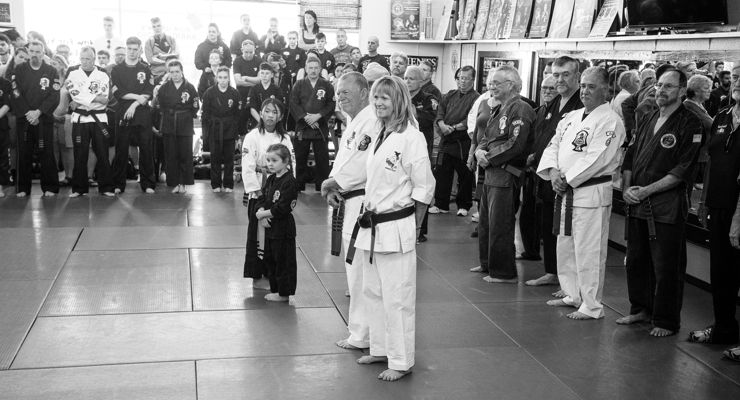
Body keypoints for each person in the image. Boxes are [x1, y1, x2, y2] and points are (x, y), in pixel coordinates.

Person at [349, 75, 435, 382]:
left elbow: (424, 188)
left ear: (398, 99)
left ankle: (401, 361)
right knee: (372, 291)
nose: (378, 102)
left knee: (397, 297)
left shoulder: (412, 137)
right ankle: (381, 347)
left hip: (397, 226)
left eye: (384, 97)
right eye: (375, 97)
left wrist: (414, 227)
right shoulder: (379, 132)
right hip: (371, 225)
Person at [617, 67, 704, 337]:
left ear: (681, 91)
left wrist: (645, 191)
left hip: (667, 206)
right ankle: (640, 308)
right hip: (637, 202)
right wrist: (628, 187)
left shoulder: (691, 123)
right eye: (658, 85)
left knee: (666, 266)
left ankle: (666, 320)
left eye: (668, 86)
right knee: (636, 260)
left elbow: (682, 171)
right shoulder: (647, 116)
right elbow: (630, 154)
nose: (660, 90)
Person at [536, 67, 626, 319]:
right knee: (566, 246)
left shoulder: (610, 120)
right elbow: (553, 145)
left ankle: (591, 305)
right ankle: (572, 293)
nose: (585, 91)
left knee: (589, 251)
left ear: (606, 89)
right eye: (583, 86)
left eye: (592, 86)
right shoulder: (572, 116)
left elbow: (597, 158)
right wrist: (553, 172)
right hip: (564, 191)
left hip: (590, 193)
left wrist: (567, 178)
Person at [320, 71, 377, 351]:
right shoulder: (354, 122)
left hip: (360, 204)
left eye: (345, 92)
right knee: (353, 270)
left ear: (364, 92)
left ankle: (362, 334)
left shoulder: (372, 122)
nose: (340, 98)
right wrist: (332, 185)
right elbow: (342, 161)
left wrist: (333, 183)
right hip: (346, 201)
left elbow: (361, 165)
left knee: (360, 272)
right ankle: (360, 331)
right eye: (337, 93)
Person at [689, 77, 740, 362]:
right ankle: (724, 328)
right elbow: (712, 160)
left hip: (739, 209)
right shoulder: (721, 116)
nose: (738, 82)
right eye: (737, 77)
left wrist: (738, 218)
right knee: (721, 272)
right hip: (719, 205)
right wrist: (705, 201)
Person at [472, 65, 535, 284]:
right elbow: (486, 137)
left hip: (506, 174)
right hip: (490, 174)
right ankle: (488, 263)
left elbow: (516, 144)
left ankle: (503, 272)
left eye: (496, 83)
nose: (492, 87)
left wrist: (489, 157)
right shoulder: (499, 108)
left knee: (500, 224)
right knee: (485, 223)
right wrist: (479, 151)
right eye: (491, 83)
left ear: (511, 85)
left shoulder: (521, 109)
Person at [526, 56, 583, 289]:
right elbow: (543, 135)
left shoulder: (581, 104)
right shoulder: (553, 102)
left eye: (565, 75)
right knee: (548, 226)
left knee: (567, 232)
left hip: (566, 179)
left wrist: (561, 173)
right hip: (545, 175)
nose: (559, 80)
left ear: (577, 76)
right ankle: (552, 271)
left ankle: (569, 280)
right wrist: (534, 156)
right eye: (556, 75)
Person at [242, 98, 295, 290]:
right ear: (261, 113)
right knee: (257, 236)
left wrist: (289, 191)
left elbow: (292, 166)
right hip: (259, 192)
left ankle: (273, 276)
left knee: (276, 239)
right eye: (267, 111)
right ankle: (258, 277)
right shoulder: (252, 136)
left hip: (279, 193)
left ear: (280, 115)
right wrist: (260, 198)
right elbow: (247, 166)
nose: (270, 115)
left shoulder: (286, 139)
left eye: (275, 112)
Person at [54, 46, 114, 197]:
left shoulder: (102, 74)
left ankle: (106, 187)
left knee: (102, 153)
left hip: (99, 118)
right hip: (80, 119)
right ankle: (79, 188)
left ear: (94, 59)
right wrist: (94, 98)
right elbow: (75, 95)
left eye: (88, 59)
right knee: (80, 154)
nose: (85, 62)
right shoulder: (73, 74)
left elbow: (105, 99)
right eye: (82, 59)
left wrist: (83, 99)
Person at [12, 40, 60, 197]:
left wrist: (38, 112)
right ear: (28, 51)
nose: (35, 54)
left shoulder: (51, 71)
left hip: (43, 119)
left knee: (46, 153)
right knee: (23, 154)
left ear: (43, 52)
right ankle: (22, 188)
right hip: (24, 118)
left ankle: (50, 187)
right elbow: (15, 92)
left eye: (38, 52)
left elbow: (54, 95)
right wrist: (28, 113)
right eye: (32, 51)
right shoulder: (19, 69)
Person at [429, 66, 479, 215]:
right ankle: (441, 204)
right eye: (460, 78)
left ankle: (464, 205)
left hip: (463, 142)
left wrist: (456, 127)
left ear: (473, 80)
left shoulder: (476, 98)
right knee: (442, 173)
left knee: (465, 175)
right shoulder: (450, 95)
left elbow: (472, 117)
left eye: (466, 78)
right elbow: (440, 112)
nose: (462, 82)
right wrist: (442, 124)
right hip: (447, 139)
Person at [518, 76, 558, 262]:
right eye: (544, 88)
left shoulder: (562, 114)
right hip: (530, 171)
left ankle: (550, 264)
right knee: (527, 213)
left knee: (545, 218)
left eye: (551, 88)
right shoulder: (537, 111)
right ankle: (530, 250)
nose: (547, 91)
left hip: (548, 173)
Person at [110, 36, 156, 194]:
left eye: (135, 49)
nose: (131, 52)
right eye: (129, 48)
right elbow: (119, 93)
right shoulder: (117, 70)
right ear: (125, 48)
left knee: (146, 149)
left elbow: (148, 93)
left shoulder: (145, 69)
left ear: (140, 50)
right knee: (121, 149)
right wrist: (136, 98)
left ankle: (148, 183)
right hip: (123, 111)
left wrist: (136, 104)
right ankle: (118, 184)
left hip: (142, 113)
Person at [254, 143, 299, 302]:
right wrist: (263, 214)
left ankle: (284, 293)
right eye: (268, 160)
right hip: (269, 227)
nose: (270, 164)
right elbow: (263, 199)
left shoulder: (290, 182)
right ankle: (275, 289)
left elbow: (283, 207)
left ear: (286, 161)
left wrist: (263, 214)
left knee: (283, 261)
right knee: (271, 259)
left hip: (283, 228)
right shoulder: (272, 178)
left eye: (274, 160)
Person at [289, 56, 335, 191]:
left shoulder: (326, 85)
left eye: (316, 68)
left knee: (322, 158)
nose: (313, 70)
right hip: (303, 126)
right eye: (310, 68)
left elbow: (331, 104)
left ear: (320, 69)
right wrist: (306, 118)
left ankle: (321, 185)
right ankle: (299, 185)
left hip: (320, 126)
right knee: (300, 157)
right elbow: (293, 103)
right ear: (305, 69)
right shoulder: (299, 84)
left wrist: (318, 116)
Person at [154, 60, 198, 194]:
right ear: (169, 73)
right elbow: (159, 106)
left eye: (177, 71)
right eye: (172, 72)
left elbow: (195, 106)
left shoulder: (190, 87)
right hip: (169, 123)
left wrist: (186, 115)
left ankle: (183, 183)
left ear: (182, 71)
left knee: (185, 154)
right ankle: (174, 182)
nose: (175, 74)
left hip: (185, 123)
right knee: (171, 155)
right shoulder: (164, 88)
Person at [405, 65, 438, 242]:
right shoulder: (401, 97)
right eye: (406, 78)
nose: (407, 81)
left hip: (422, 147)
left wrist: (412, 109)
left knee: (422, 186)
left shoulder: (428, 98)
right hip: (404, 147)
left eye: (411, 78)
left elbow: (430, 117)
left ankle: (421, 229)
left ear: (420, 81)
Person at [201, 66, 240, 192]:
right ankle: (216, 184)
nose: (223, 80)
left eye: (225, 77)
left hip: (229, 128)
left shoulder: (234, 93)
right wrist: (206, 132)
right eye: (220, 77)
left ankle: (228, 184)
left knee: (229, 158)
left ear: (229, 78)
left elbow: (237, 114)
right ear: (216, 78)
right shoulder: (209, 93)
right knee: (215, 158)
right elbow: (205, 114)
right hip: (214, 127)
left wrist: (236, 131)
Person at [233, 40, 261, 134]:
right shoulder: (237, 61)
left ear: (254, 50)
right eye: (246, 52)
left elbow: (260, 79)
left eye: (251, 52)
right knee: (241, 124)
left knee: (256, 125)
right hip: (242, 96)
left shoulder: (258, 60)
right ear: (241, 50)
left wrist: (246, 78)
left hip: (255, 96)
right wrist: (254, 82)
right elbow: (238, 81)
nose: (249, 55)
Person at [145, 17, 179, 83]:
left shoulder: (171, 39)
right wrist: (167, 59)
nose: (156, 28)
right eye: (154, 27)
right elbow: (150, 60)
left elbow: (176, 56)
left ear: (162, 26)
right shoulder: (149, 42)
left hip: (171, 73)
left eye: (158, 25)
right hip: (156, 74)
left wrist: (158, 56)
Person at [0, 72, 9, 197]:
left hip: (1, 123)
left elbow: (7, 104)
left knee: (1, 156)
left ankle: (0, 185)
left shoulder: (5, 83)